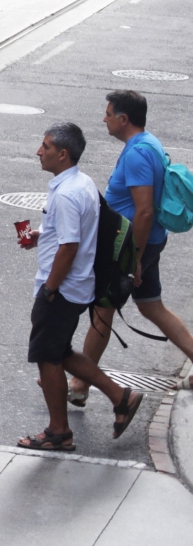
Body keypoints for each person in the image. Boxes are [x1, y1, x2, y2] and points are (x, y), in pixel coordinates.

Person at [19, 122, 139, 451]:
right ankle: (121, 396)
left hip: (63, 288)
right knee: (61, 351)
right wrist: (40, 236)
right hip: (76, 285)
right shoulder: (81, 183)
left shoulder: (68, 194)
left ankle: (59, 431)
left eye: (44, 146)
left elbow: (70, 246)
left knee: (47, 356)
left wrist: (51, 289)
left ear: (63, 154)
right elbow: (71, 233)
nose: (38, 152)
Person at [78, 90, 193, 397]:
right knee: (151, 305)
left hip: (132, 245)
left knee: (103, 310)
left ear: (123, 119)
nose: (104, 118)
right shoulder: (148, 143)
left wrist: (135, 259)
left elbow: (143, 211)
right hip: (147, 241)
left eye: (108, 113)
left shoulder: (138, 153)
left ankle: (80, 382)